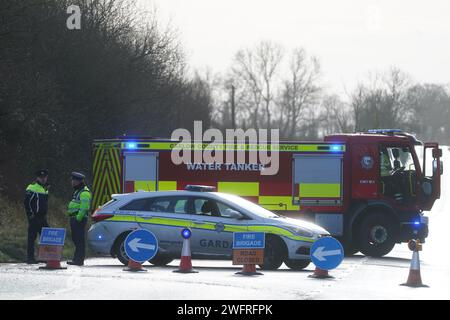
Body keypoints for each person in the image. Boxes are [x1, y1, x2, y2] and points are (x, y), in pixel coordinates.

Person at [23, 169, 50, 264]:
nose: (43, 179)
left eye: (45, 177)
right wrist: (30, 215)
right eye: (41, 177)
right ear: (37, 178)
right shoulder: (31, 187)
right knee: (32, 237)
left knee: (46, 236)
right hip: (34, 217)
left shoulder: (45, 189)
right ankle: (30, 258)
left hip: (42, 217)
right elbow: (27, 202)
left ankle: (44, 256)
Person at [67, 172, 91, 266]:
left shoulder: (84, 193)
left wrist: (78, 219)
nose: (72, 182)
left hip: (79, 219)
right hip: (75, 218)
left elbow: (84, 208)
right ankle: (76, 259)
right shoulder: (78, 191)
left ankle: (79, 260)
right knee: (76, 239)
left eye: (74, 180)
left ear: (78, 181)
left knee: (79, 240)